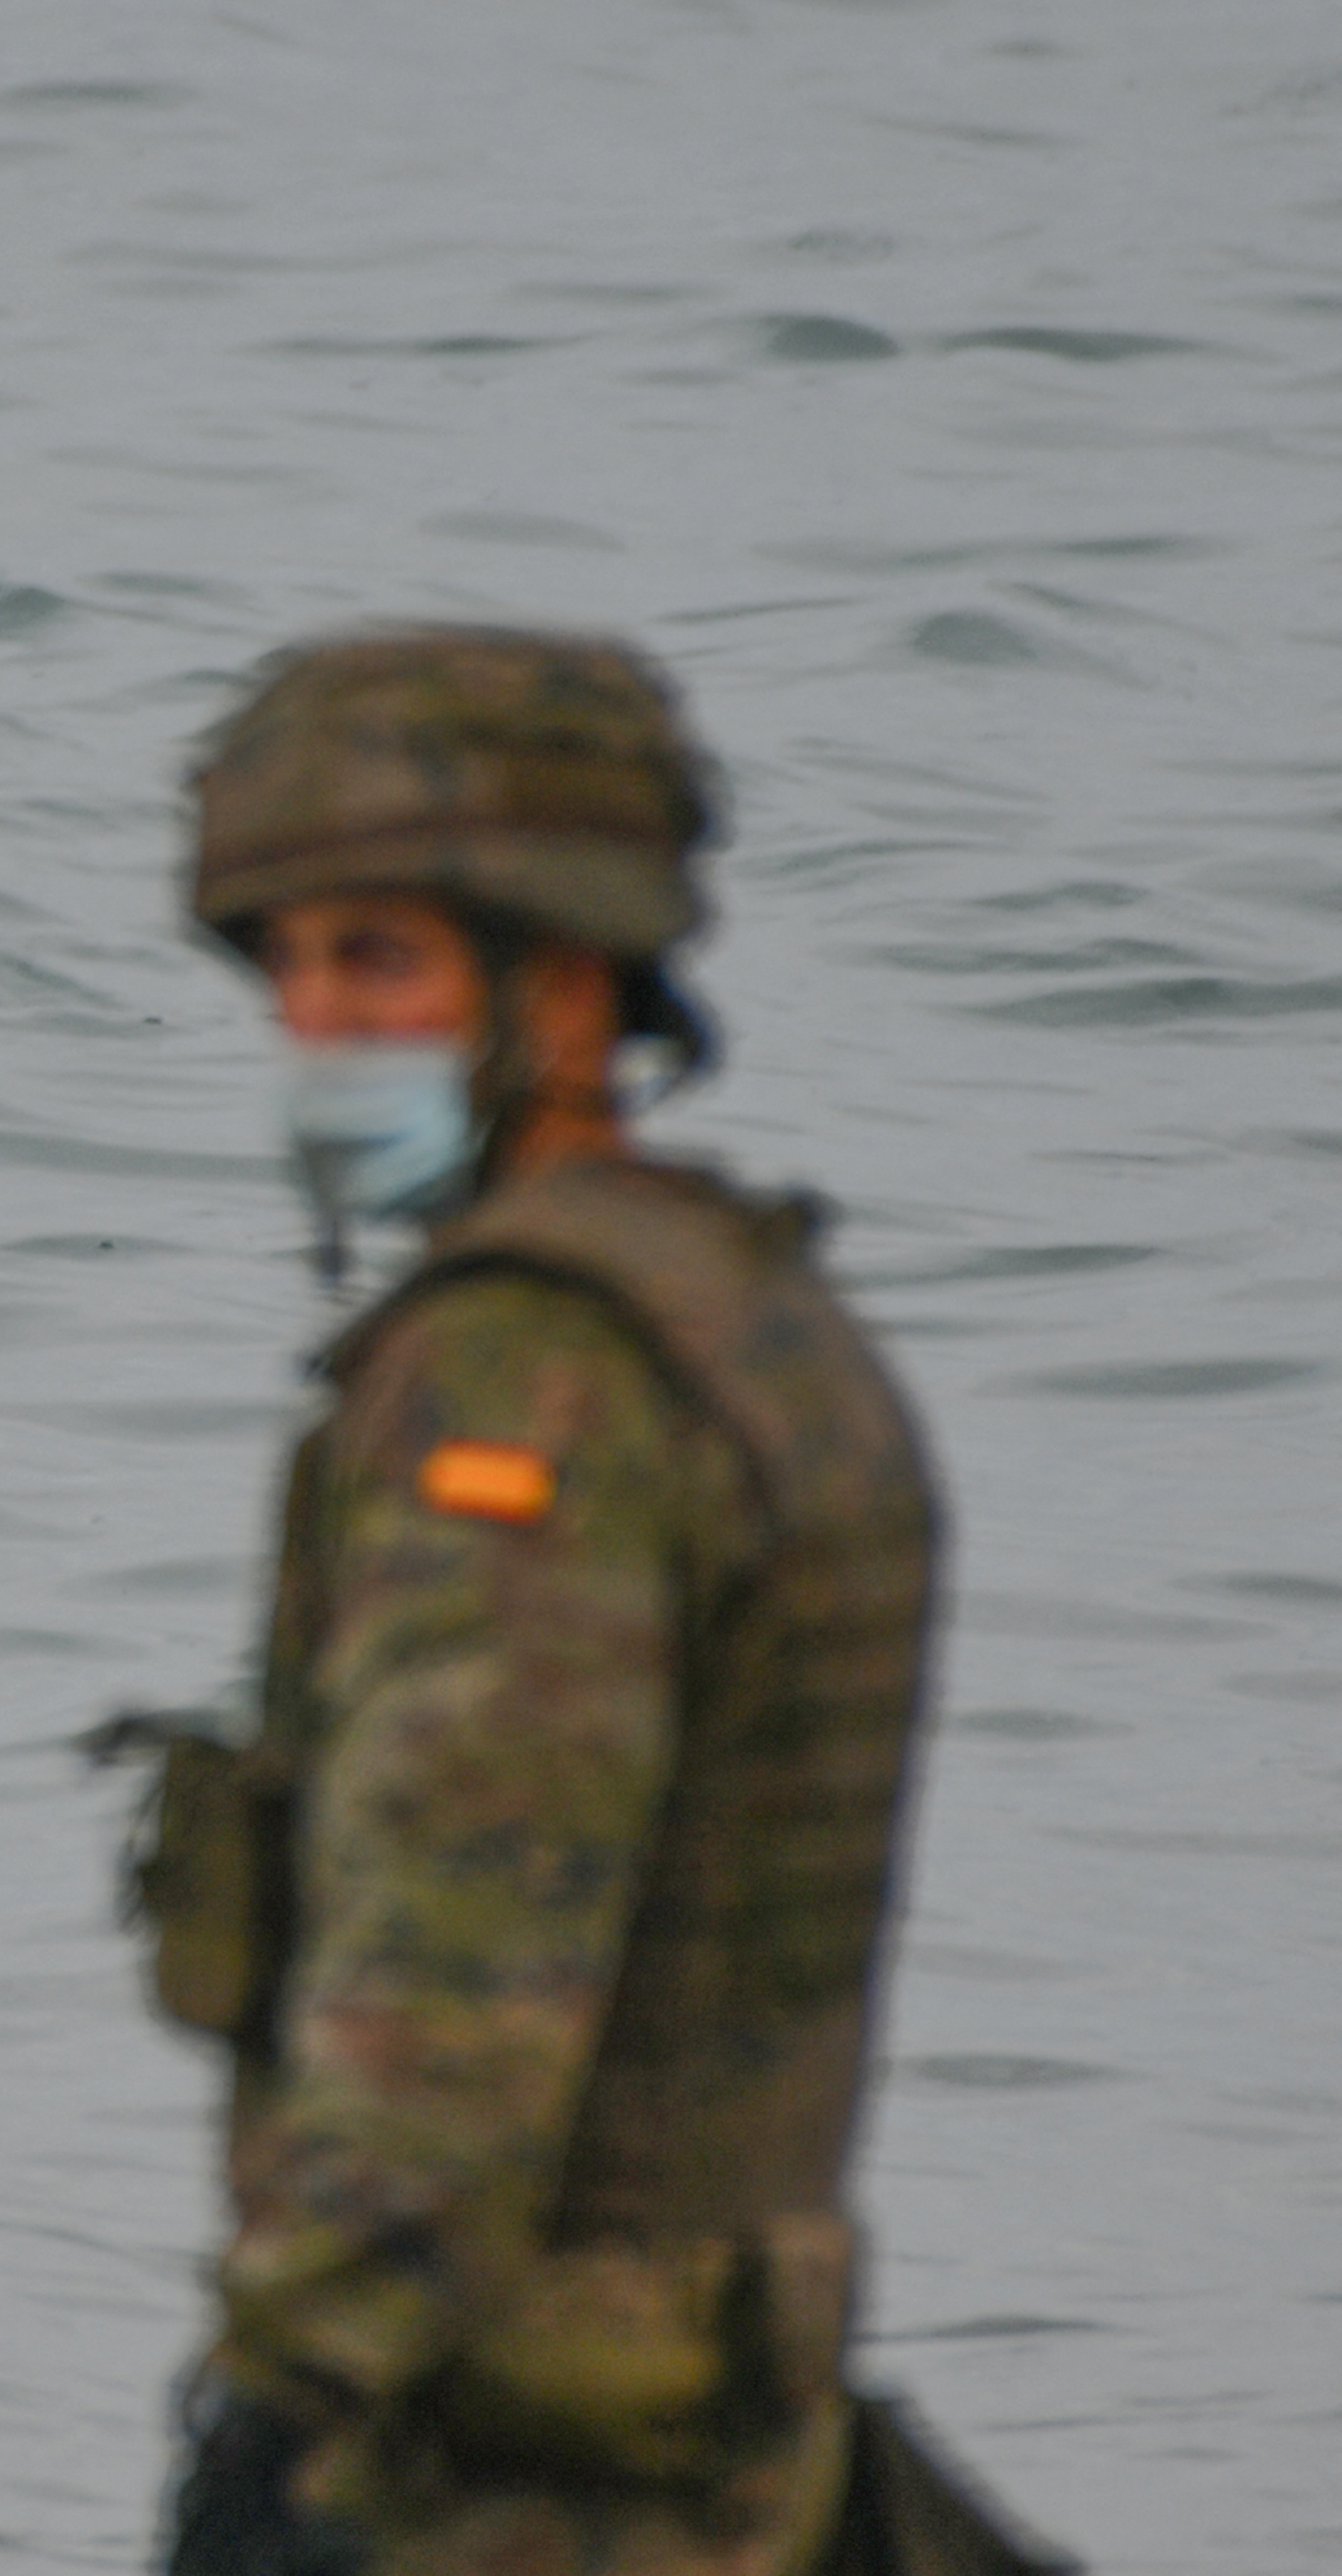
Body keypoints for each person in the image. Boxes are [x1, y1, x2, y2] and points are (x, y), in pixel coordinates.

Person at [116, 631, 1062, 2575]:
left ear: (564, 982)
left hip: (515, 2485)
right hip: (728, 2456)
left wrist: (285, 2412)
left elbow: (458, 1980)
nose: (316, 1022)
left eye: (378, 958)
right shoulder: (757, 1322)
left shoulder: (528, 1383)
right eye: (287, 964)